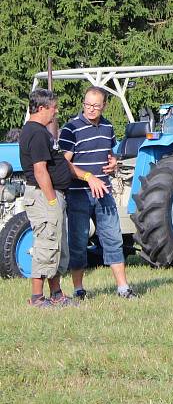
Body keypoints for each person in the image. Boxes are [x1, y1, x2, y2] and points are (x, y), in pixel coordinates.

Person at [18, 89, 109, 308]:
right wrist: (51, 200)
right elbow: (40, 170)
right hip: (44, 197)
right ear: (41, 108)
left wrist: (86, 175)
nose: (56, 111)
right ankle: (37, 298)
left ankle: (57, 294)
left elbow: (61, 163)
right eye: (52, 107)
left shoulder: (43, 132)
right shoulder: (35, 133)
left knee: (58, 246)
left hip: (54, 196)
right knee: (46, 245)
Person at [59, 87, 137, 300]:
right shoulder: (70, 129)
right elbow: (64, 164)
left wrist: (114, 164)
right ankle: (78, 289)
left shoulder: (108, 126)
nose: (91, 109)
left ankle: (123, 288)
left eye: (95, 105)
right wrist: (88, 177)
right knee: (78, 241)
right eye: (87, 104)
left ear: (104, 106)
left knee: (113, 239)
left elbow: (110, 156)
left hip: (104, 191)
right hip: (79, 194)